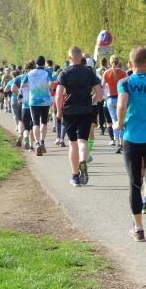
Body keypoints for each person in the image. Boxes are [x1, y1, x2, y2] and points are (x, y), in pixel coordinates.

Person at [114, 46, 146, 242]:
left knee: (135, 183)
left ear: (130, 63)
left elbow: (122, 104)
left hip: (132, 138)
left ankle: (138, 229)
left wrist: (119, 123)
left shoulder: (125, 82)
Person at [55, 47, 103, 187]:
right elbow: (100, 95)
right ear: (81, 58)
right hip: (86, 111)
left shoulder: (64, 73)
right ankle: (83, 160)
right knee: (83, 141)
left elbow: (59, 95)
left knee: (73, 143)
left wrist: (59, 111)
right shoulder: (89, 73)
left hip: (70, 112)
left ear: (69, 58)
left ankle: (75, 176)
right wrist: (91, 101)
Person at [23, 56, 53, 156]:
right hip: (45, 100)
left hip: (34, 101)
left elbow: (22, 85)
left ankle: (37, 144)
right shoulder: (47, 72)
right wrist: (49, 88)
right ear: (44, 64)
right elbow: (51, 84)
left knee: (35, 123)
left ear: (35, 64)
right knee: (44, 121)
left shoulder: (29, 73)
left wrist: (31, 86)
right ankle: (42, 142)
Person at [103, 55, 127, 153]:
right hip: (121, 98)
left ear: (110, 62)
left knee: (114, 121)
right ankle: (122, 142)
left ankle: (117, 143)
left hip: (110, 99)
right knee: (122, 120)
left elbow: (102, 86)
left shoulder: (106, 73)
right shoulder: (123, 73)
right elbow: (127, 85)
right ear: (118, 63)